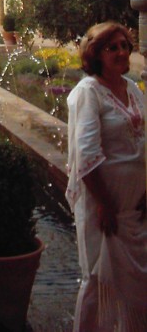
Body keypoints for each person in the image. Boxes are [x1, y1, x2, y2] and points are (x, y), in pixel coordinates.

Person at [66, 21, 147, 331]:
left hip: (134, 207)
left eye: (124, 45)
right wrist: (103, 204)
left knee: (136, 279)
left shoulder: (132, 88)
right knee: (98, 278)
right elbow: (86, 154)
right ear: (95, 53)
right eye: (112, 47)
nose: (121, 52)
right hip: (105, 207)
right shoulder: (88, 93)